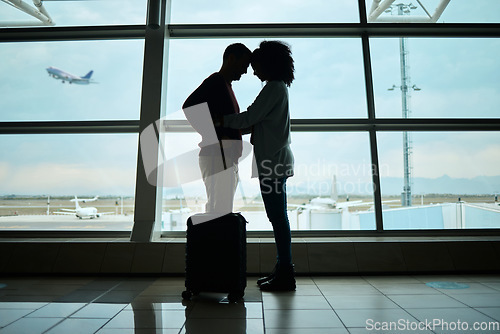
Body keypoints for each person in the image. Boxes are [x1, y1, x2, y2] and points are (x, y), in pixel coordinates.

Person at [220, 40, 296, 291]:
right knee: (278, 217)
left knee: (277, 218)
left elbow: (250, 117)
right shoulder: (279, 88)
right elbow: (255, 122)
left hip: (272, 163)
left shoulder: (273, 88)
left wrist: (219, 121)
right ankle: (282, 269)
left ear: (268, 64)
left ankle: (285, 272)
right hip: (274, 161)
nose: (253, 72)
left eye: (256, 66)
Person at [182, 43, 251, 214]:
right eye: (244, 65)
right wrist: (211, 136)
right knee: (219, 211)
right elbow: (189, 106)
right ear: (232, 58)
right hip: (216, 156)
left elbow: (227, 124)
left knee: (220, 210)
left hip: (224, 157)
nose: (245, 71)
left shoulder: (226, 86)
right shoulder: (216, 82)